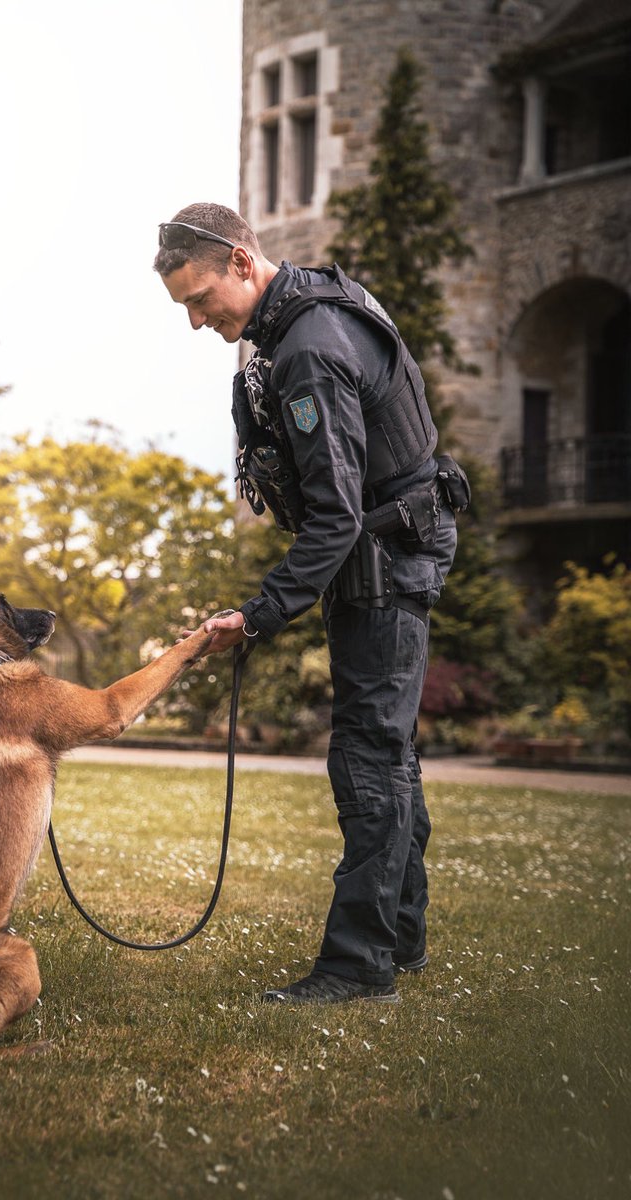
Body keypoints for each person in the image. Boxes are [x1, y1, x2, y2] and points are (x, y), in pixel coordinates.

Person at [155, 202, 468, 1006]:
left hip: (386, 558)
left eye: (200, 299)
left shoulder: (310, 349)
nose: (196, 321)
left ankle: (359, 965)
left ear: (240, 261)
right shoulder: (306, 313)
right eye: (183, 307)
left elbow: (334, 516)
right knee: (388, 751)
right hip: (388, 547)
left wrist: (258, 613)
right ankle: (400, 937)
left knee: (368, 755)